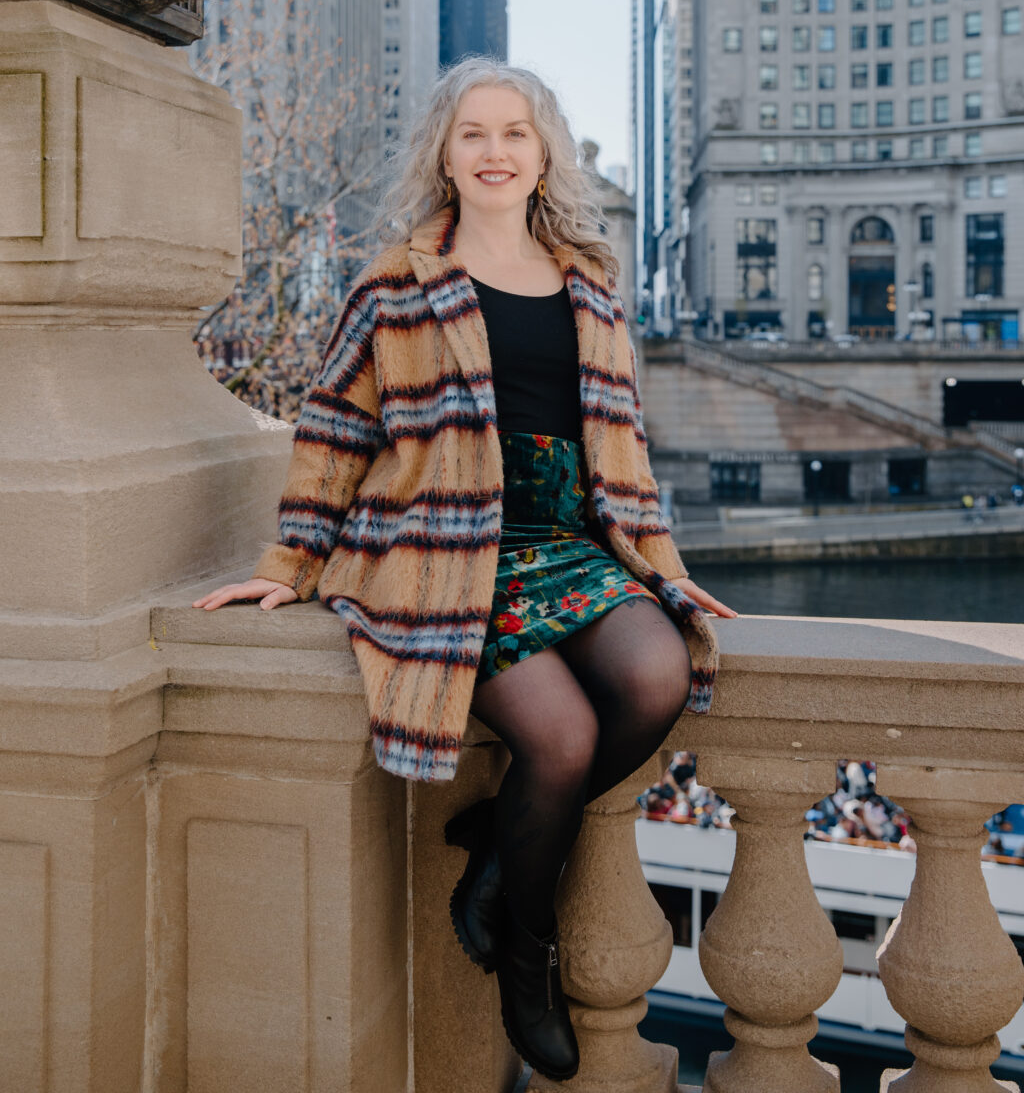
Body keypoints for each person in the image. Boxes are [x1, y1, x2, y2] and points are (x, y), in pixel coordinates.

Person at [192, 59, 735, 1082]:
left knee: (660, 674)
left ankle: (503, 841)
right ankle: (525, 964)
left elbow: (623, 444)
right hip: (444, 549)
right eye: (472, 134)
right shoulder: (396, 282)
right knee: (563, 735)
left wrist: (660, 566)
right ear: (445, 154)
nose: (494, 152)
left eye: (514, 134)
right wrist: (290, 563)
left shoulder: (591, 278)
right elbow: (333, 433)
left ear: (542, 156)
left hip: (568, 538)